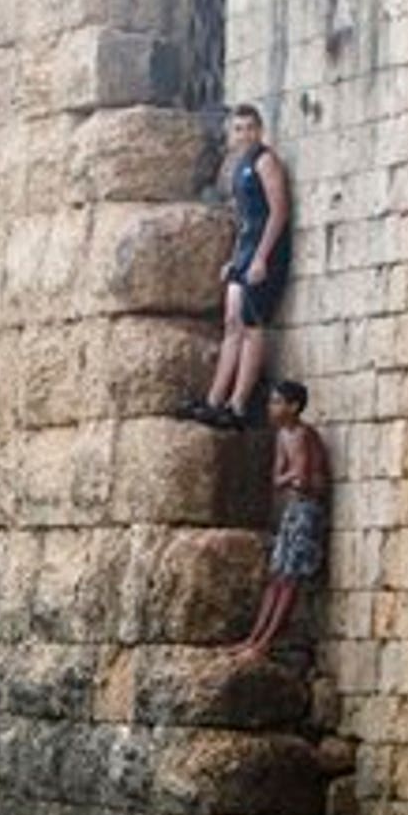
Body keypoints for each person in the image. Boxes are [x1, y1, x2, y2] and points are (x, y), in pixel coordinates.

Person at [176, 103, 290, 429]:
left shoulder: (266, 161)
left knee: (252, 328)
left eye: (250, 128)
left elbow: (278, 211)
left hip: (264, 251)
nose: (245, 134)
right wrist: (235, 258)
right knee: (232, 323)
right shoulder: (238, 165)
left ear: (260, 130)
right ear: (231, 133)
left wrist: (260, 258)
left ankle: (238, 404)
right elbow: (244, 219)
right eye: (238, 129)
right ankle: (215, 400)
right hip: (246, 249)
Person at [232, 380, 328, 657]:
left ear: (294, 406)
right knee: (276, 576)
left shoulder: (304, 435)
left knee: (289, 579)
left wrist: (294, 478)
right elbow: (281, 478)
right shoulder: (284, 436)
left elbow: (307, 480)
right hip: (294, 509)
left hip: (308, 511)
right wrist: (293, 477)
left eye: (276, 402)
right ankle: (254, 638)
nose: (271, 408)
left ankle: (265, 643)